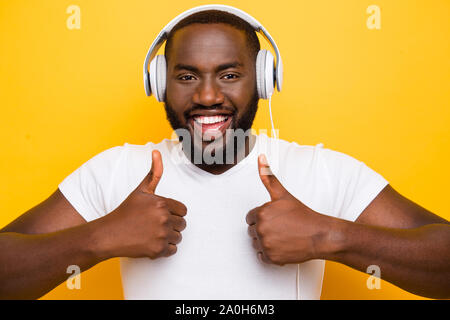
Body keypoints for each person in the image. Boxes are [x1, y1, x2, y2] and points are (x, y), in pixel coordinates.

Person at [0, 6, 449, 300]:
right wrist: (97, 239)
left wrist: (330, 238)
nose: (208, 96)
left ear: (263, 79)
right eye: (188, 76)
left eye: (230, 74)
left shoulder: (322, 170)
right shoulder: (115, 171)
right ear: (159, 83)